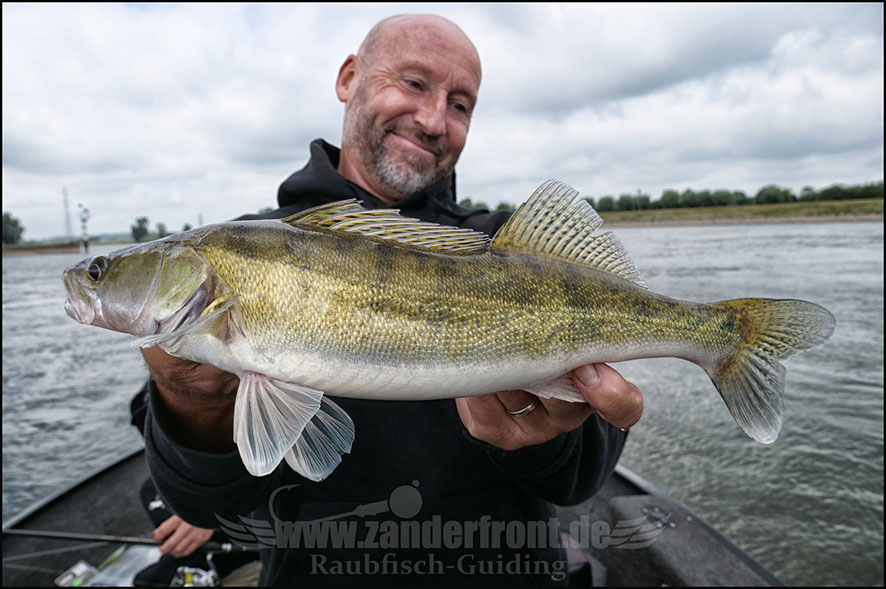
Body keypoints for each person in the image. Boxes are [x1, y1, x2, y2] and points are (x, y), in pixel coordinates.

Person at [140, 13, 643, 586]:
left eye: (460, 104)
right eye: (413, 83)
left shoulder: (508, 253)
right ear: (349, 78)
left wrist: (552, 435)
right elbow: (202, 502)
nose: (434, 119)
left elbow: (577, 482)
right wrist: (190, 399)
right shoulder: (240, 253)